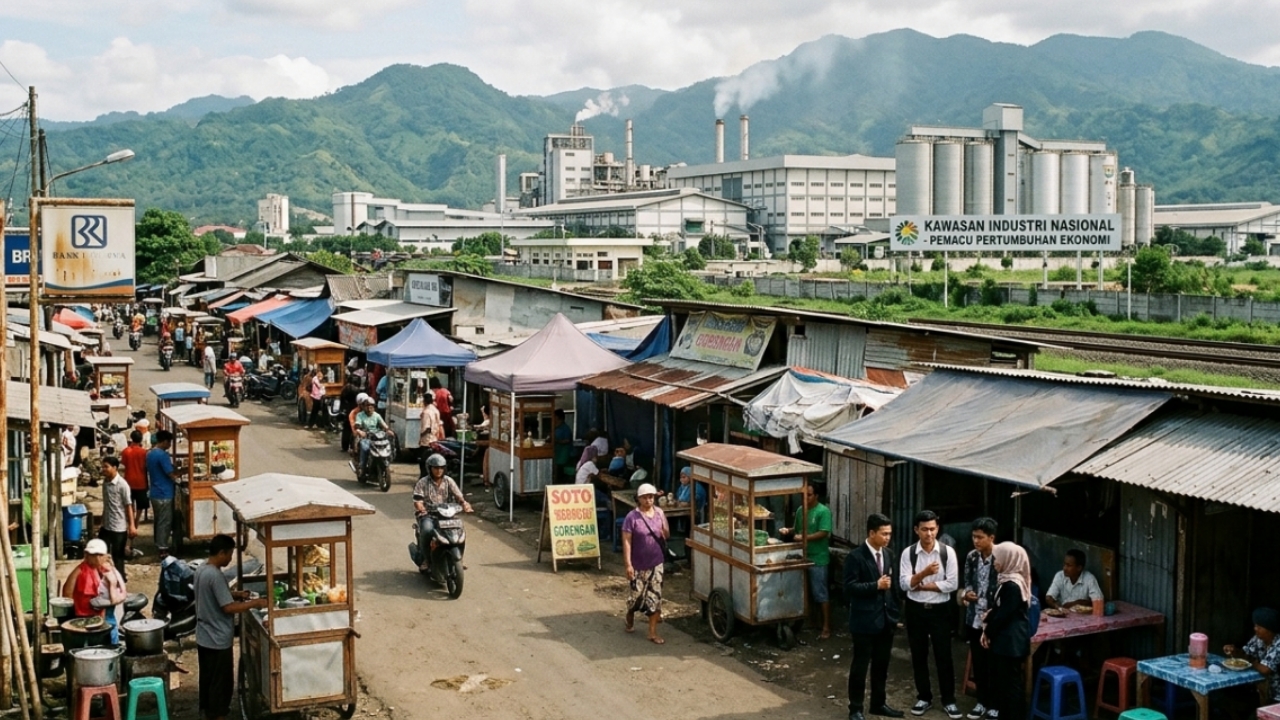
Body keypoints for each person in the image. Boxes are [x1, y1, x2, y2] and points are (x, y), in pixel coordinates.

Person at [195, 534, 269, 720]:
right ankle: (218, 716)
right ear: (221, 553)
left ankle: (208, 713)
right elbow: (227, 607)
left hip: (204, 636)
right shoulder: (215, 575)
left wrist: (236, 594)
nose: (230, 560)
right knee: (220, 684)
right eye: (229, 555)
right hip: (217, 639)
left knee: (208, 679)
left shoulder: (202, 569)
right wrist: (255, 603)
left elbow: (215, 595)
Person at [899, 509, 961, 718]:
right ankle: (924, 697)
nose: (929, 534)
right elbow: (904, 583)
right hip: (916, 610)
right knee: (919, 655)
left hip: (940, 611)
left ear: (938, 528)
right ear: (916, 530)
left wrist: (922, 585)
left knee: (944, 655)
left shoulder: (947, 552)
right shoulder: (908, 553)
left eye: (933, 529)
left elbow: (952, 584)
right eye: (924, 529)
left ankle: (949, 700)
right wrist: (924, 574)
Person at [845, 513, 904, 720]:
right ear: (871, 533)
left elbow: (893, 586)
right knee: (860, 667)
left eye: (889, 533)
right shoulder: (856, 556)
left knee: (881, 666)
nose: (887, 537)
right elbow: (850, 587)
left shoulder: (888, 554)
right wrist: (875, 586)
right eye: (883, 533)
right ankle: (856, 708)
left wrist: (896, 613)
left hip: (885, 620)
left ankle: (878, 704)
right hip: (863, 622)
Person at [981, 543, 1032, 720]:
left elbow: (1003, 615)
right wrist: (988, 619)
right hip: (1006, 642)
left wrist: (988, 631)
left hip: (1010, 644)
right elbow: (998, 609)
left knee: (1011, 687)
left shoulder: (1012, 586)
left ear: (1008, 559)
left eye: (997, 557)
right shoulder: (1006, 581)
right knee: (1005, 685)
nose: (995, 561)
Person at [781, 482, 833, 640]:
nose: (805, 498)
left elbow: (824, 532)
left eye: (808, 495)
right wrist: (788, 530)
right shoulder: (800, 510)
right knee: (805, 592)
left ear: (816, 496)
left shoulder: (823, 512)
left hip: (818, 557)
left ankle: (826, 626)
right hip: (802, 556)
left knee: (820, 593)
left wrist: (804, 537)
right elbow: (796, 530)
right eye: (803, 495)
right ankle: (812, 621)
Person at [960, 518, 1000, 720]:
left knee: (994, 663)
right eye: (974, 536)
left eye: (980, 537)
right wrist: (967, 593)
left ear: (991, 538)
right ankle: (981, 702)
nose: (976, 540)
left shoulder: (1001, 558)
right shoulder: (972, 557)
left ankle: (995, 704)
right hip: (975, 618)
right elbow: (967, 580)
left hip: (993, 620)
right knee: (979, 663)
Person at [622, 483, 668, 645]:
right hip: (638, 563)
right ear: (638, 499)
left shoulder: (660, 513)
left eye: (651, 497)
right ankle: (630, 617)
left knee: (655, 596)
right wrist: (628, 564)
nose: (648, 500)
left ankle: (652, 632)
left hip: (656, 562)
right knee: (636, 597)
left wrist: (663, 529)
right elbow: (627, 542)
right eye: (645, 497)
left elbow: (666, 534)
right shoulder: (631, 517)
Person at [412, 454, 472, 572]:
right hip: (428, 515)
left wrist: (465, 504)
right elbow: (417, 500)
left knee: (460, 529)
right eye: (435, 468)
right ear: (430, 468)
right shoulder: (422, 482)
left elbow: (459, 496)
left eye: (441, 468)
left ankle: (460, 558)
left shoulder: (449, 481)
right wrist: (421, 507)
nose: (438, 470)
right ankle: (426, 560)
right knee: (427, 530)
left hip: (447, 514)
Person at [1224, 608, 1280, 704]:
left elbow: (1265, 669)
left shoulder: (1278, 644)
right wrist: (1234, 651)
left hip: (1276, 695)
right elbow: (1246, 652)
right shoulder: (1258, 639)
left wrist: (1248, 659)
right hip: (1260, 689)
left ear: (1270, 630)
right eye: (1255, 626)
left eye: (1259, 627)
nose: (1255, 629)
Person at [98, 457, 137, 581]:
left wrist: (132, 525)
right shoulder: (105, 482)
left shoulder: (122, 485)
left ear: (115, 468)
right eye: (103, 466)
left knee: (118, 557)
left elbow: (128, 506)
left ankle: (120, 581)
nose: (103, 469)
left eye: (106, 467)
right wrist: (102, 522)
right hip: (106, 526)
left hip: (118, 528)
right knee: (100, 553)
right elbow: (106, 504)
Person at [147, 430, 178, 552]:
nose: (170, 445)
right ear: (164, 441)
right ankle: (162, 547)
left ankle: (158, 543)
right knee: (165, 522)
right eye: (169, 442)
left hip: (155, 492)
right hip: (164, 493)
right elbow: (170, 473)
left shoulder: (150, 454)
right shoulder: (163, 455)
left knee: (158, 520)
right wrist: (179, 473)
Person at [353, 395, 389, 472]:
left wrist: (388, 430)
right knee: (365, 448)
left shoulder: (377, 415)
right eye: (367, 405)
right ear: (363, 406)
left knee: (387, 447)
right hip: (366, 437)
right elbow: (357, 425)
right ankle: (362, 466)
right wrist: (360, 431)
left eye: (371, 406)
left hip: (377, 437)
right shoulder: (360, 415)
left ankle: (386, 463)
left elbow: (384, 425)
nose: (369, 408)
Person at [121, 430, 150, 524]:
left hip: (128, 480)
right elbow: (146, 466)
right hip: (141, 481)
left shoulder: (126, 451)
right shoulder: (144, 452)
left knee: (130, 502)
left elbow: (124, 464)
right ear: (141, 439)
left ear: (131, 438)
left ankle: (131, 520)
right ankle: (137, 519)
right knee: (141, 504)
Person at [418, 393, 444, 476]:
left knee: (424, 462)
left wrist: (421, 436)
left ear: (424, 401)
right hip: (434, 439)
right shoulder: (435, 410)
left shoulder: (426, 412)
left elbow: (427, 428)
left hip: (427, 441)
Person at [340, 379, 361, 454]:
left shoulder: (344, 389)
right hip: (354, 410)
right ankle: (352, 446)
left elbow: (341, 401)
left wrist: (342, 409)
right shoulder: (357, 391)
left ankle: (344, 447)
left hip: (346, 410)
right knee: (354, 429)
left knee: (346, 429)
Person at [553, 409, 573, 478]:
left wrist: (557, 441)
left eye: (554, 416)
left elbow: (567, 440)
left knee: (561, 474)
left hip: (563, 456)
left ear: (558, 417)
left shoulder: (565, 428)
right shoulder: (556, 428)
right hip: (557, 455)